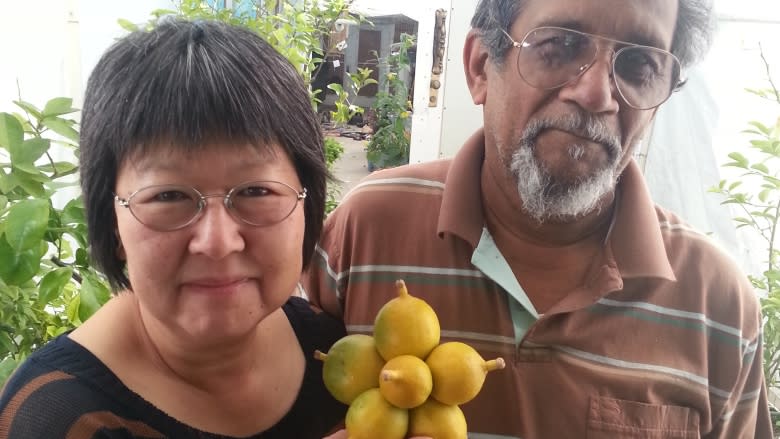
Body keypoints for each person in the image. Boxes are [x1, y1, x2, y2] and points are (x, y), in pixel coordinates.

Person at [306, 0, 774, 437]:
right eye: (560, 45)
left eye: (638, 65)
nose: (597, 94)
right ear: (480, 66)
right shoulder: (365, 230)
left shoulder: (719, 308)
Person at [0, 19, 347, 438]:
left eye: (256, 190)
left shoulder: (335, 356)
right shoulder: (56, 419)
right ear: (112, 222)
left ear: (305, 201)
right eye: (168, 196)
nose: (218, 242)